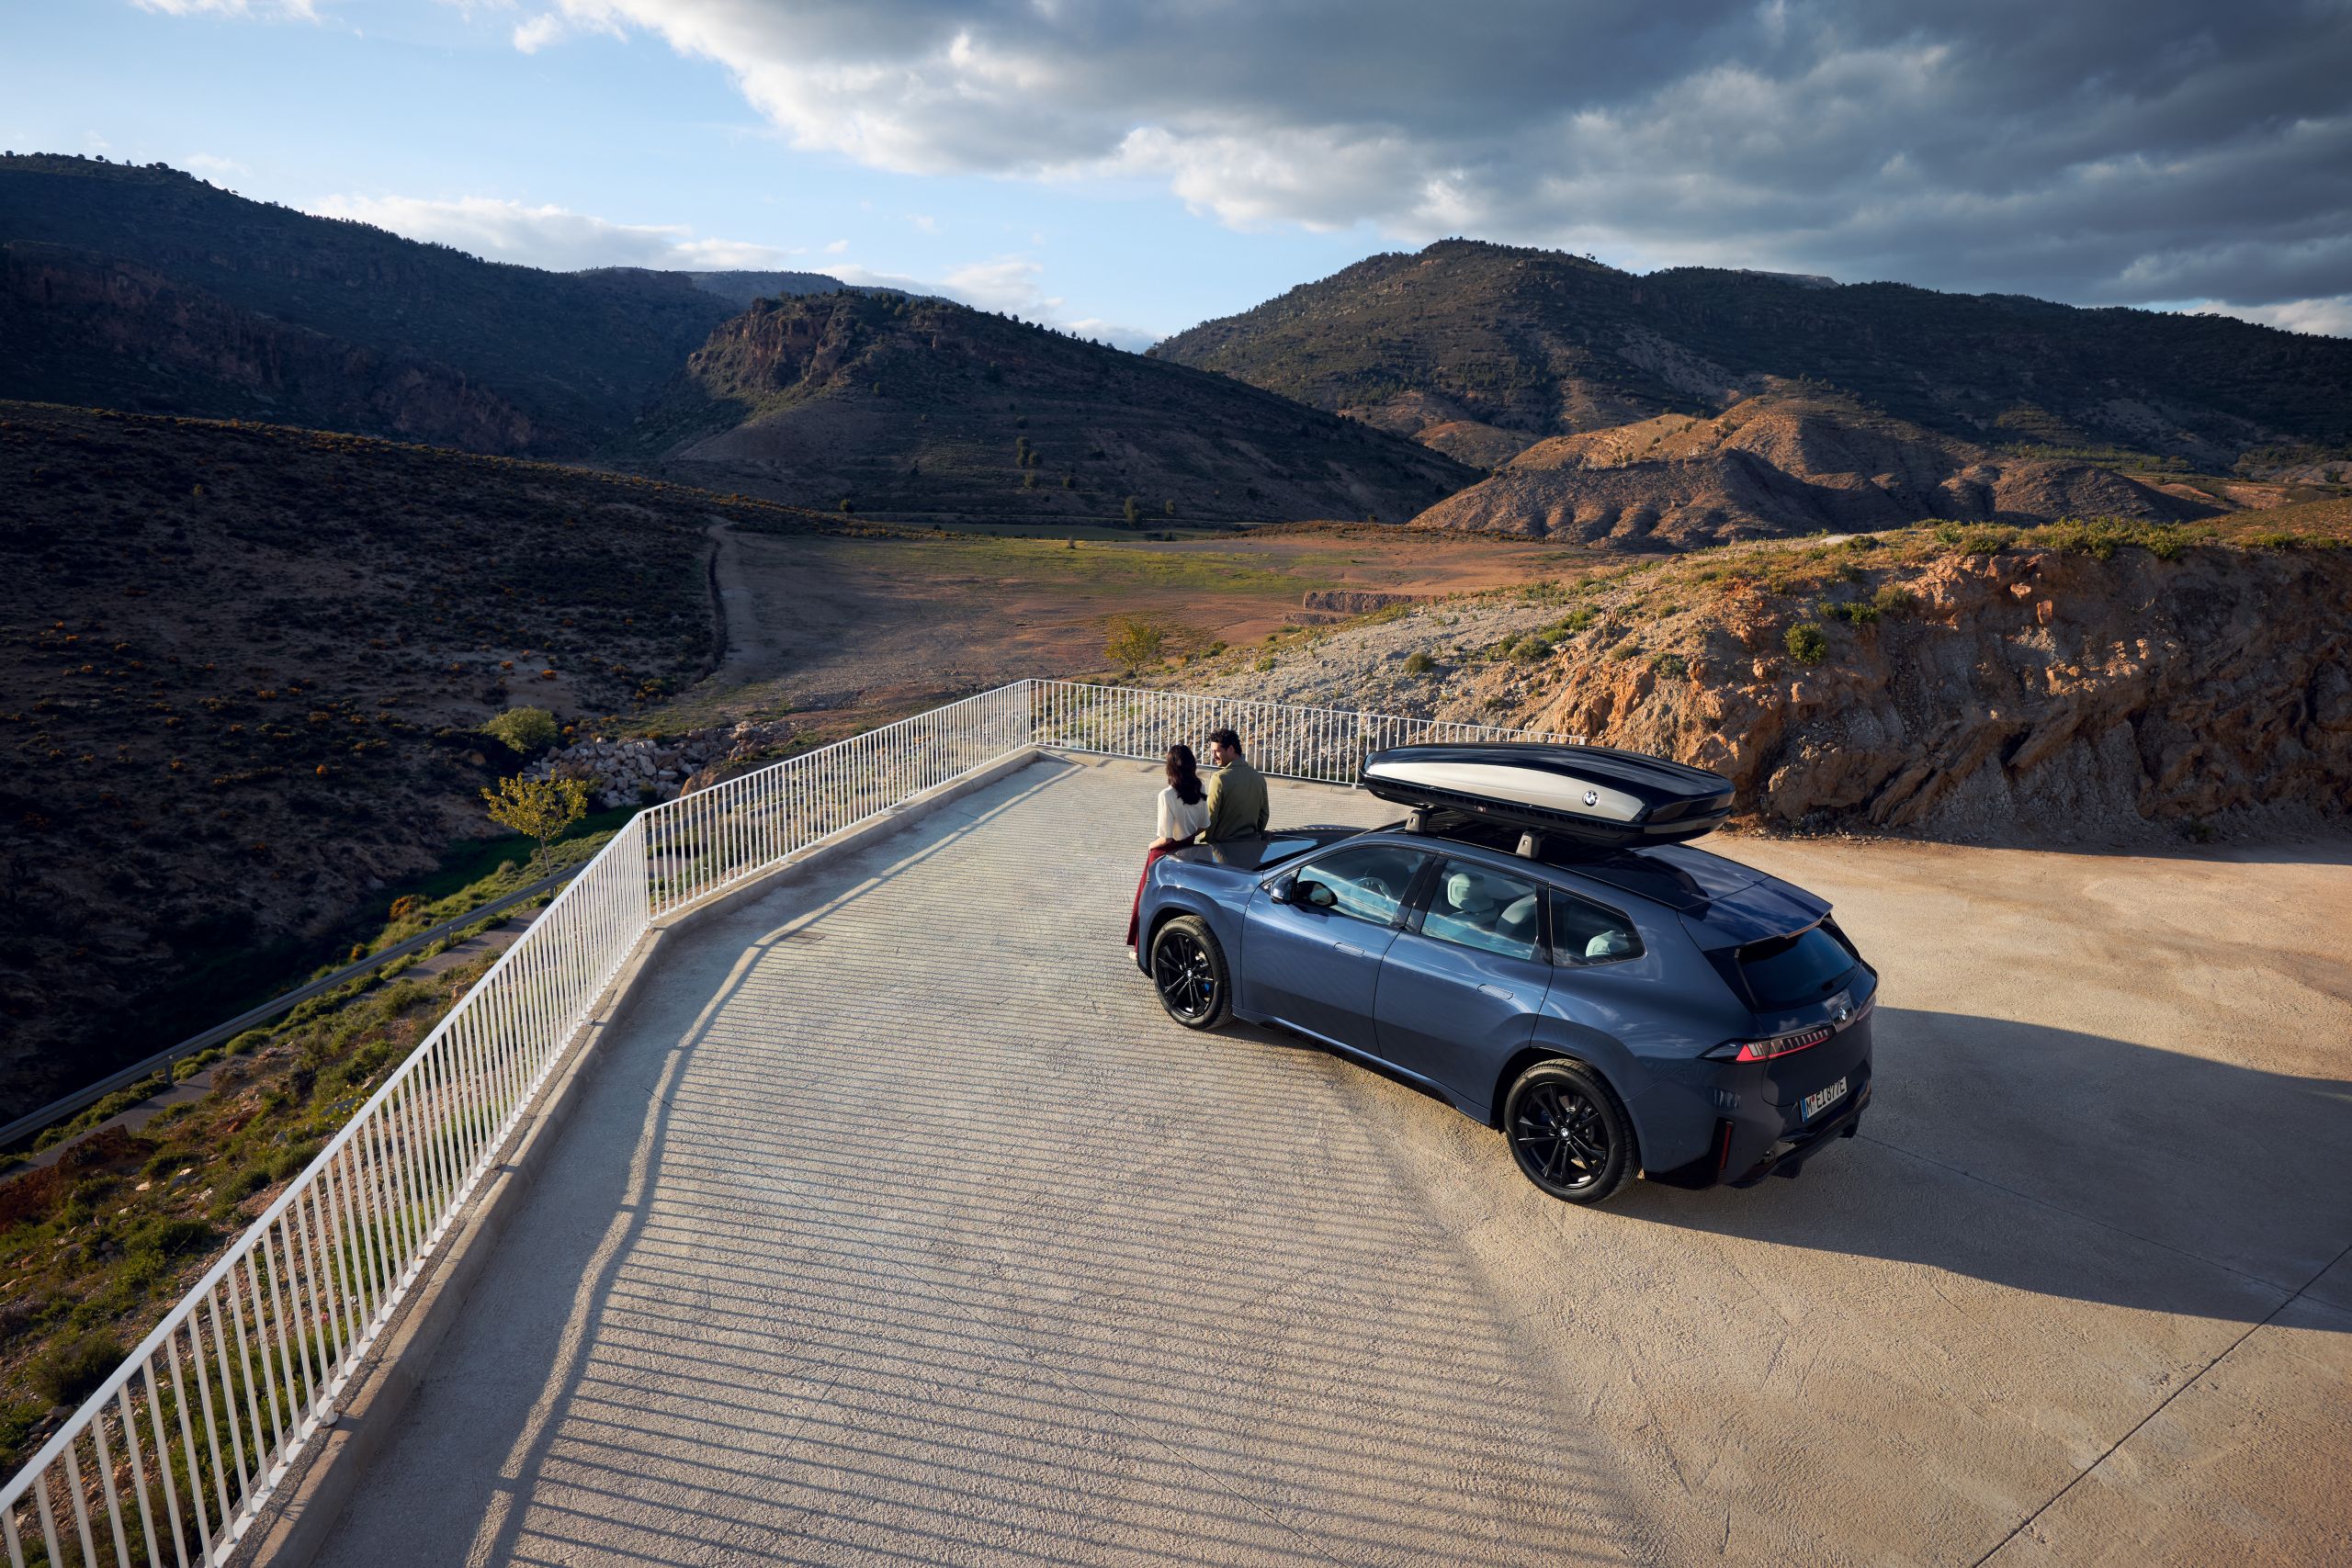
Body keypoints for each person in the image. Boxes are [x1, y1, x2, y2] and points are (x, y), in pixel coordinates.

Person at [1126, 743, 1209, 949]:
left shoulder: (1166, 795)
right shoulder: (1200, 788)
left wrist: (1149, 846)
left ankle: (1141, 948)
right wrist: (1188, 837)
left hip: (1164, 854)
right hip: (1188, 849)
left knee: (1146, 900)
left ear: (1170, 767)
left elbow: (1165, 838)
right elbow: (1204, 826)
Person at [1202, 727, 1269, 843]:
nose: (1213, 756)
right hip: (1250, 847)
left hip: (1223, 849)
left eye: (1217, 751)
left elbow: (1211, 816)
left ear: (1231, 749)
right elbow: (1264, 814)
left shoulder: (1219, 778)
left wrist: (1205, 841)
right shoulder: (1258, 777)